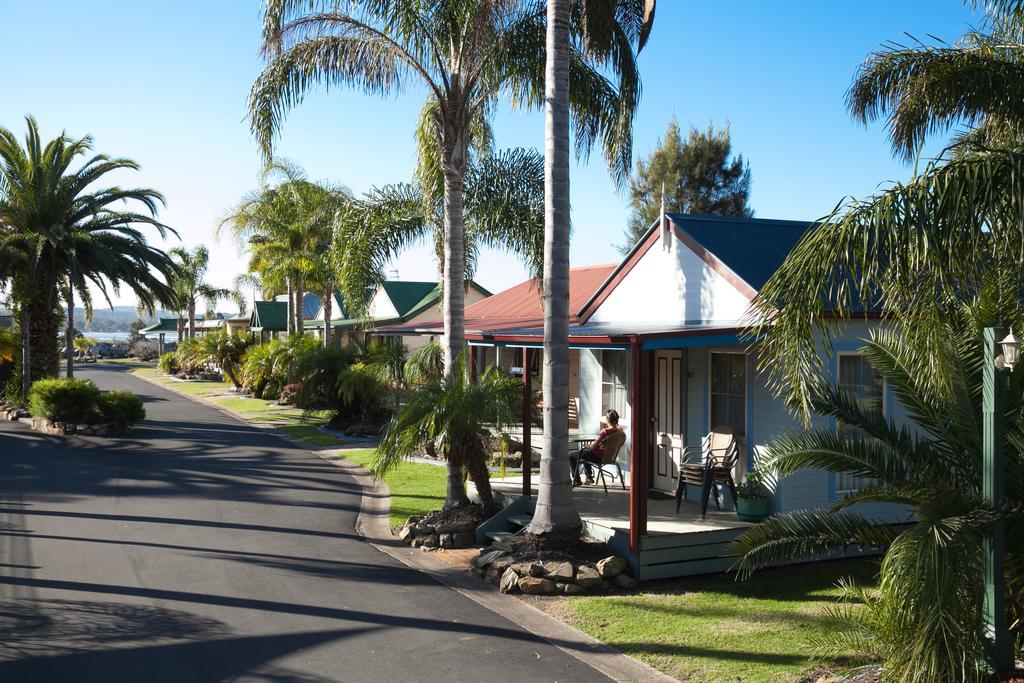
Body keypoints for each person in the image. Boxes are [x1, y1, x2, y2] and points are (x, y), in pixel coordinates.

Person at [571, 409, 623, 486]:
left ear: (607, 419)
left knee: (571, 455)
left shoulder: (605, 431)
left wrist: (588, 446)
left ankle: (577, 480)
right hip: (610, 457)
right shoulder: (620, 432)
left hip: (598, 457)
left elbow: (593, 447)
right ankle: (589, 477)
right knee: (585, 453)